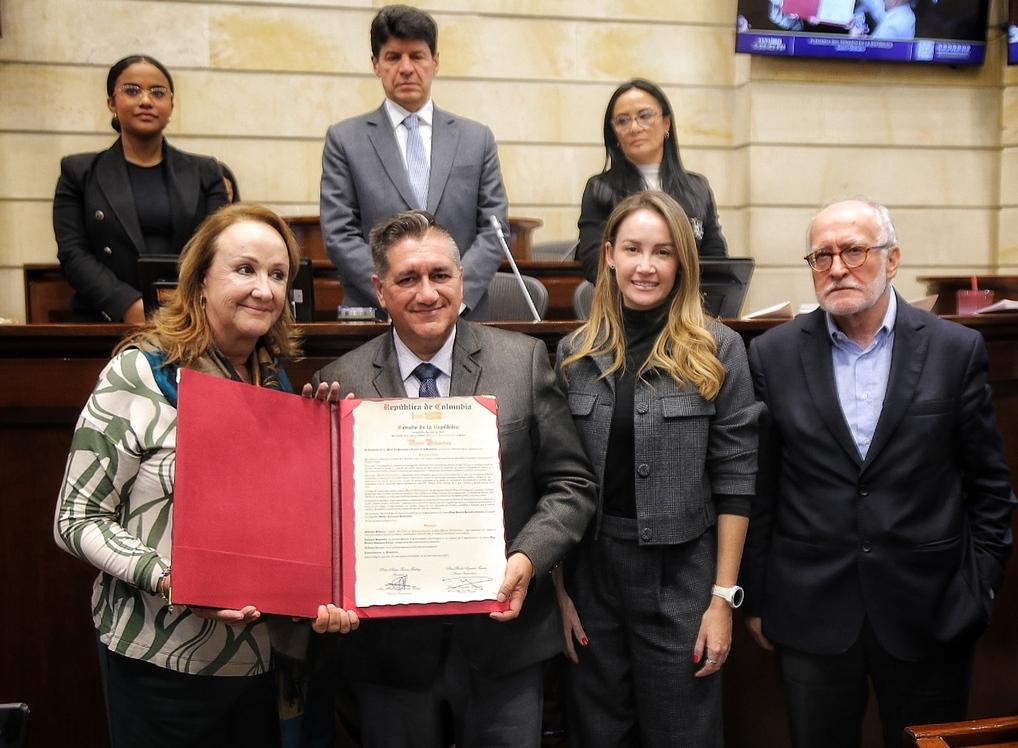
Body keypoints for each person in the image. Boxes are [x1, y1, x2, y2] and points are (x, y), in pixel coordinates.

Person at [54, 203, 357, 748]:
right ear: (197, 283)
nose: (263, 289)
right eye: (244, 269)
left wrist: (319, 449)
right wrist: (173, 577)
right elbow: (75, 519)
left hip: (258, 667)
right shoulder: (142, 374)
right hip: (160, 663)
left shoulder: (277, 387)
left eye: (277, 274)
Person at [309, 210, 597, 748]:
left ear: (461, 280)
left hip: (503, 644)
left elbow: (571, 485)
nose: (427, 293)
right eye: (408, 279)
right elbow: (322, 514)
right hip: (388, 653)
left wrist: (528, 558)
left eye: (440, 275)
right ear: (379, 289)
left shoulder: (523, 360)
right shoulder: (340, 383)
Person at [742, 198, 1015, 748]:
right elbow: (761, 487)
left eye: (854, 250)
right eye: (821, 256)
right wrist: (759, 595)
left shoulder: (952, 349)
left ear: (892, 260)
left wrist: (976, 589)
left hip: (930, 614)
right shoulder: (772, 354)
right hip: (810, 614)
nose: (837, 267)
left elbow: (989, 487)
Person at [553, 191, 760, 746]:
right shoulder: (575, 352)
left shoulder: (718, 350)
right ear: (610, 258)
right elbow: (555, 481)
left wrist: (722, 598)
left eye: (663, 252)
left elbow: (737, 482)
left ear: (682, 264)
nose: (646, 265)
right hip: (592, 578)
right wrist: (560, 592)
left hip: (682, 580)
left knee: (682, 735)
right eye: (633, 249)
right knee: (597, 734)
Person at [320, 5, 509, 319]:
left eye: (417, 56)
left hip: (462, 316)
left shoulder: (477, 139)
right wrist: (397, 291)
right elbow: (339, 234)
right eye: (393, 57)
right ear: (375, 64)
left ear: (435, 61)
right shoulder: (345, 139)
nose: (406, 68)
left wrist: (453, 293)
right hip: (377, 314)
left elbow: (494, 229)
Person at [53, 54, 229, 323]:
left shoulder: (206, 172)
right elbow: (73, 252)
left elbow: (217, 249)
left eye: (158, 92)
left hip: (190, 319)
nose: (146, 100)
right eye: (132, 90)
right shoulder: (78, 172)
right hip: (105, 318)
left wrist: (181, 308)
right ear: (112, 102)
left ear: (171, 105)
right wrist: (127, 305)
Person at [576, 79, 727, 283]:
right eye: (622, 120)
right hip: (628, 304)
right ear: (614, 134)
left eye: (644, 116)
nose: (634, 127)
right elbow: (596, 264)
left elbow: (716, 260)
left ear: (666, 123)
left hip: (689, 306)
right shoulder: (600, 189)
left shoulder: (697, 188)